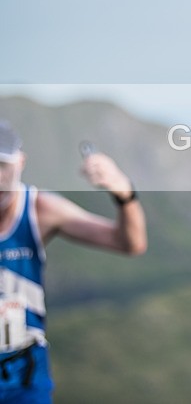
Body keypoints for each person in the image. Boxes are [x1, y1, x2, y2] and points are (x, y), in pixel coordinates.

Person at [0, 120, 147, 403]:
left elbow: (129, 243)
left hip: (23, 372)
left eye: (3, 166)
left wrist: (125, 194)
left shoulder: (39, 209)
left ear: (20, 163)